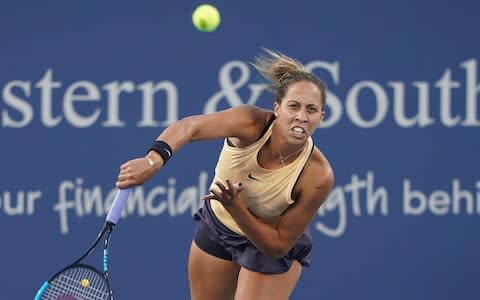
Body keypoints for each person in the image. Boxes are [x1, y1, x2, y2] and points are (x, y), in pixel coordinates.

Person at [115, 49, 334, 300]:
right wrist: (153, 161)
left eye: (311, 110)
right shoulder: (250, 123)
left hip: (268, 243)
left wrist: (235, 207)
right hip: (219, 229)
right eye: (294, 106)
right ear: (277, 108)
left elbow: (277, 246)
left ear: (321, 116)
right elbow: (191, 127)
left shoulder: (318, 175)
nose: (301, 117)